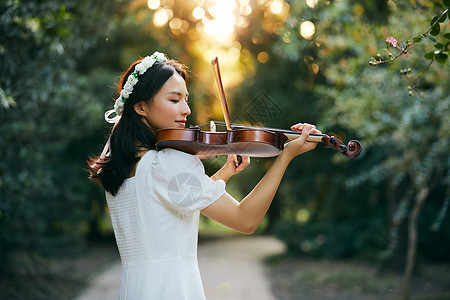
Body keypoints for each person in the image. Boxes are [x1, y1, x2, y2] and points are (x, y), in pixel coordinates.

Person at [87, 51, 321, 299]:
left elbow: (172, 203)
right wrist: (285, 157)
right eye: (175, 100)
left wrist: (225, 172)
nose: (186, 109)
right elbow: (246, 220)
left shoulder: (122, 165)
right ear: (141, 106)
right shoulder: (168, 164)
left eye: (186, 99)